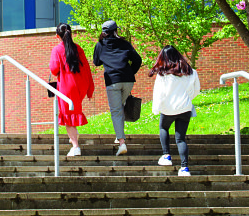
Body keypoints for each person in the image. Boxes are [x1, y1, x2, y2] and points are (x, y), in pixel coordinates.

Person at [149, 45, 200, 177]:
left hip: (168, 109)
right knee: (181, 138)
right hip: (185, 108)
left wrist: (156, 109)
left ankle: (166, 155)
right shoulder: (191, 72)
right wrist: (186, 99)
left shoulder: (163, 74)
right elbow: (196, 90)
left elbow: (159, 94)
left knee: (163, 128)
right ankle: (184, 168)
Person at [93, 20, 142, 156]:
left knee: (116, 111)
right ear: (116, 30)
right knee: (119, 106)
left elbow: (96, 62)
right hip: (128, 80)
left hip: (113, 81)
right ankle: (119, 133)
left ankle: (121, 143)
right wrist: (131, 72)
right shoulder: (125, 44)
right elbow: (138, 60)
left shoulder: (100, 45)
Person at [50, 23, 95, 157]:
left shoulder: (57, 49)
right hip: (80, 85)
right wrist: (89, 89)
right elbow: (87, 68)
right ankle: (73, 137)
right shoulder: (78, 48)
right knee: (72, 113)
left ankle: (75, 146)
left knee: (68, 117)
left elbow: (54, 69)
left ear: (57, 36)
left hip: (66, 86)